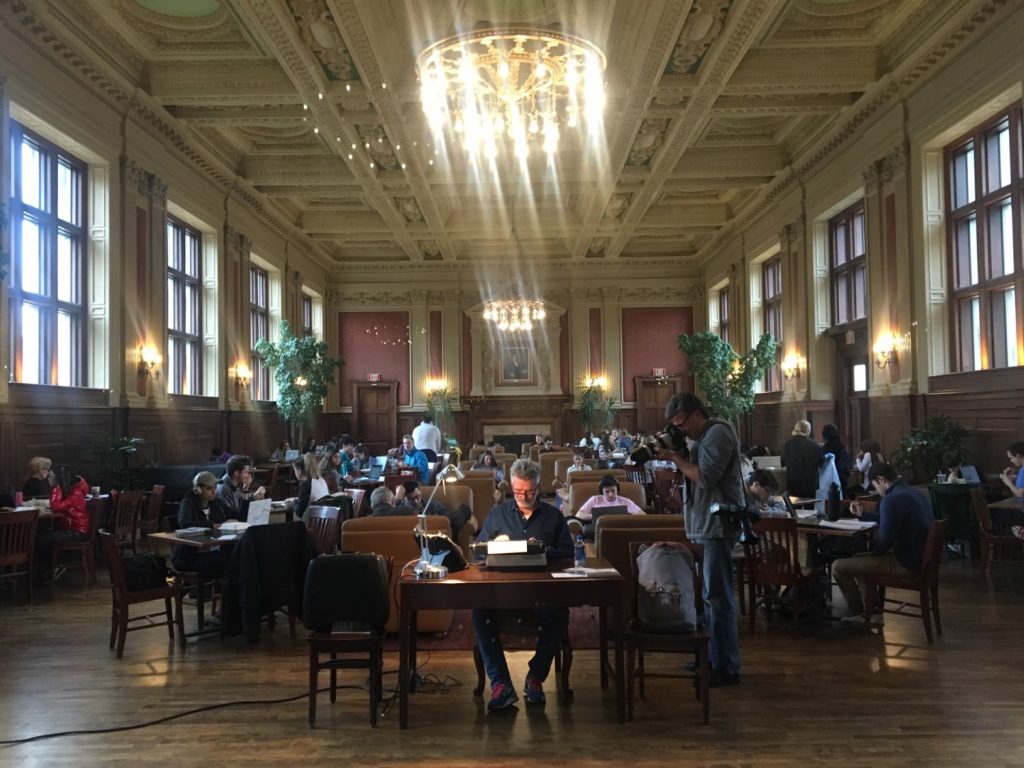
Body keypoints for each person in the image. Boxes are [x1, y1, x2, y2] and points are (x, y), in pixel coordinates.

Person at [658, 393, 744, 688]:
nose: (681, 431)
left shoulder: (718, 433)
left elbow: (706, 477)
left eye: (682, 424)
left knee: (718, 599)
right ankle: (712, 658)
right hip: (705, 526)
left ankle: (727, 667)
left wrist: (676, 459)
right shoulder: (703, 437)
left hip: (718, 527)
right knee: (709, 597)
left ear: (697, 413)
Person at [473, 458, 573, 710]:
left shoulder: (553, 517)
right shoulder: (497, 515)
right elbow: (478, 555)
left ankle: (535, 677)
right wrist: (497, 549)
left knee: (559, 612)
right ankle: (501, 684)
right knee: (478, 611)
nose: (523, 496)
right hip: (503, 591)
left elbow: (567, 553)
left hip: (541, 591)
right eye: (518, 492)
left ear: (538, 489)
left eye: (529, 492)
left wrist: (542, 550)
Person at [833, 463, 933, 624]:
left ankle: (862, 614)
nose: (875, 491)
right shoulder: (913, 492)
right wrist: (863, 515)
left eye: (874, 486)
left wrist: (872, 555)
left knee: (838, 567)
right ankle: (872, 610)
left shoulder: (891, 500)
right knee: (858, 558)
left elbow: (884, 542)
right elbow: (890, 521)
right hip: (919, 559)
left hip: (906, 564)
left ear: (881, 480)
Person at [35, 464, 92, 583]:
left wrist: (56, 488)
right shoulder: (72, 490)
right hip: (70, 528)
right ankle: (48, 570)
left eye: (51, 476)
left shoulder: (75, 493)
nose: (48, 479)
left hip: (77, 532)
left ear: (59, 479)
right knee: (41, 535)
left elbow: (55, 507)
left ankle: (48, 572)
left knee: (42, 540)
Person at [172, 471, 229, 582]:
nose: (214, 491)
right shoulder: (188, 503)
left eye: (215, 487)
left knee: (233, 553)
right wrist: (212, 525)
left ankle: (224, 593)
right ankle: (215, 592)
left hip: (210, 551)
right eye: (209, 488)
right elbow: (184, 523)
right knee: (222, 559)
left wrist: (251, 498)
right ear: (198, 489)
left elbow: (234, 514)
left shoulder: (215, 503)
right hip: (189, 555)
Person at [370, 481, 472, 540]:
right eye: (411, 498)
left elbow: (448, 522)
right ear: (404, 498)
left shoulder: (434, 505)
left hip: (438, 534)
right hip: (415, 539)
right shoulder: (399, 509)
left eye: (418, 496)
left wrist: (437, 520)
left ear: (421, 492)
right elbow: (385, 513)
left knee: (464, 509)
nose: (416, 501)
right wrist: (397, 497)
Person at [571, 475, 646, 537]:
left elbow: (643, 515)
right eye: (607, 492)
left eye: (613, 491)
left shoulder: (625, 501)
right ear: (601, 491)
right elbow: (579, 514)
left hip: (621, 528)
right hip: (600, 528)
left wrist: (628, 515)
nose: (611, 494)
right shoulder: (595, 499)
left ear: (617, 489)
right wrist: (596, 516)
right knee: (587, 530)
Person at [216, 454, 265, 521]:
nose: (248, 475)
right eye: (246, 472)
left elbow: (242, 505)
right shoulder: (224, 489)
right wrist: (247, 493)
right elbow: (237, 515)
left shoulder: (233, 484)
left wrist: (248, 491)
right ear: (236, 473)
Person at [781, 420, 822, 499]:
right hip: (810, 483)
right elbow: (821, 463)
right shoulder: (814, 444)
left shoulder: (788, 444)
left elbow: (783, 462)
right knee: (810, 507)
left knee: (795, 508)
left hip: (794, 482)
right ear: (808, 430)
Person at [293, 453, 330, 522]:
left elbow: (299, 512)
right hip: (325, 521)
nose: (294, 472)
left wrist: (294, 503)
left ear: (299, 471)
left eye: (294, 470)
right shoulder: (321, 480)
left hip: (312, 525)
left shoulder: (305, 484)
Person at [821, 424, 853, 497]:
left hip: (829, 479)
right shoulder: (841, 447)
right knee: (842, 497)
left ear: (824, 436)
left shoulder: (824, 449)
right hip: (842, 476)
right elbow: (848, 463)